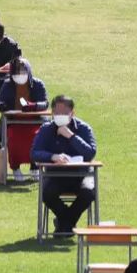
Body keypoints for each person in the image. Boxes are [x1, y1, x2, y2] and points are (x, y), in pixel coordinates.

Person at [30, 95, 96, 237]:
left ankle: (64, 224)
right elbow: (34, 153)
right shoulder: (46, 129)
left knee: (89, 192)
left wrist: (71, 136)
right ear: (52, 113)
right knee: (47, 193)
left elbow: (90, 153)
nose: (60, 116)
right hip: (56, 175)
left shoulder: (84, 128)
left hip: (81, 175)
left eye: (64, 113)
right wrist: (52, 157)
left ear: (72, 113)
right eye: (57, 113)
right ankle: (68, 224)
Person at [0, 57, 47, 182]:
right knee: (13, 139)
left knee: (37, 138)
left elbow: (45, 103)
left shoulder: (38, 84)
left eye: (23, 72)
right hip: (14, 122)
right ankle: (15, 168)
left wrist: (34, 106)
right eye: (17, 73)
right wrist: (2, 106)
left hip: (34, 122)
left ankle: (35, 167)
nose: (20, 75)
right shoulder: (8, 84)